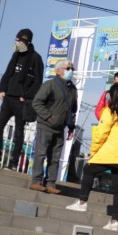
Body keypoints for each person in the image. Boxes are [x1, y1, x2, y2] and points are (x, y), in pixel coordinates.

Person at [65, 83, 118, 231]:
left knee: (88, 170)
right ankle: (114, 222)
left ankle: (82, 202)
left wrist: (93, 151)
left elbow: (101, 133)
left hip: (110, 154)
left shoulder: (110, 111)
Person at [0, 28, 44, 170]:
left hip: (21, 101)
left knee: (19, 133)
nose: (17, 43)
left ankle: (13, 163)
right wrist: (2, 89)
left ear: (27, 41)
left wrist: (27, 96)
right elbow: (8, 73)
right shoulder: (16, 55)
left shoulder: (36, 59)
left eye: (20, 40)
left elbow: (38, 82)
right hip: (8, 99)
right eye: (16, 40)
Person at [30, 59, 76, 194]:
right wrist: (48, 117)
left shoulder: (72, 89)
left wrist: (71, 127)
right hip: (46, 125)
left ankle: (50, 183)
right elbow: (37, 102)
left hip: (61, 127)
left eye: (72, 69)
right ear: (59, 70)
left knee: (55, 157)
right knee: (41, 153)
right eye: (68, 68)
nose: (71, 71)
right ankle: (36, 181)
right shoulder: (50, 84)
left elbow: (73, 110)